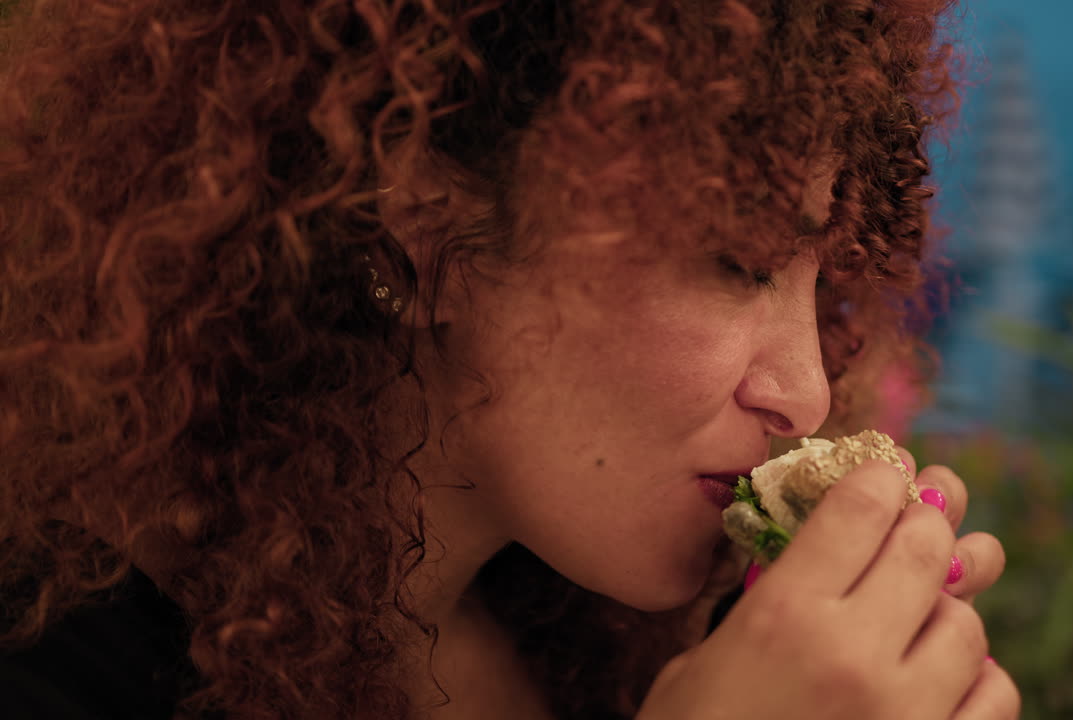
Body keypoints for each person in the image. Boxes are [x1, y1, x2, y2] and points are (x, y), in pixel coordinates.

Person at [0, 0, 1019, 718]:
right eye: (739, 261)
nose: (806, 394)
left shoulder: (596, 635)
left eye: (819, 280)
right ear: (425, 233)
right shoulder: (50, 667)